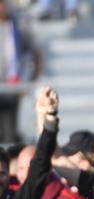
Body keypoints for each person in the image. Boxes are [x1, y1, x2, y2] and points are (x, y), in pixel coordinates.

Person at [0, 0, 41, 142]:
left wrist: (31, 80)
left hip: (11, 88)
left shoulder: (17, 27)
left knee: (9, 134)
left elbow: (36, 54)